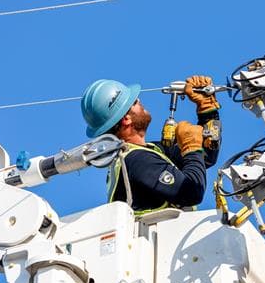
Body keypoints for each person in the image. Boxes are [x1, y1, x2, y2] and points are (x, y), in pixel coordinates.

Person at [80, 76, 221, 217]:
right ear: (126, 119)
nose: (139, 101)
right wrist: (192, 150)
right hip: (162, 236)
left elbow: (206, 157)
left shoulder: (150, 151)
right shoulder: (137, 160)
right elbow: (191, 193)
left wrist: (207, 111)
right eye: (134, 102)